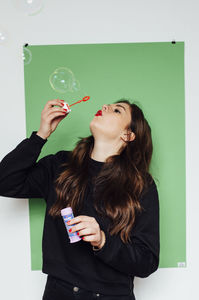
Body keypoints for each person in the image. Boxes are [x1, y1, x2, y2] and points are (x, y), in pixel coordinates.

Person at [0, 98, 160, 300]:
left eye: (117, 110)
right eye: (109, 105)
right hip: (59, 293)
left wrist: (102, 240)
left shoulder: (141, 185)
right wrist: (41, 135)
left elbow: (147, 262)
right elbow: (5, 182)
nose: (105, 107)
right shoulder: (60, 166)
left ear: (127, 135)